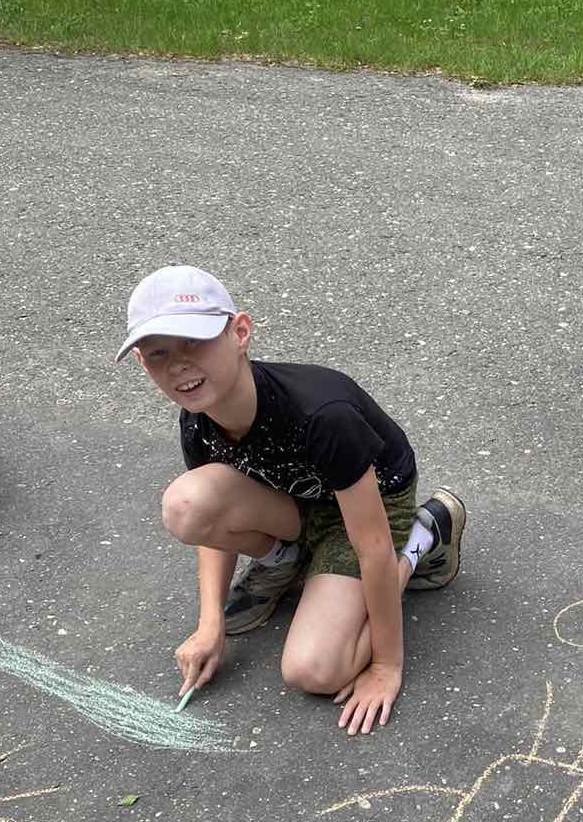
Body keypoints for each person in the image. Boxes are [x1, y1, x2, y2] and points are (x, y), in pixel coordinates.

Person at [117, 266, 465, 735]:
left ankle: (424, 536)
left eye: (194, 342)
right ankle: (289, 561)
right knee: (186, 504)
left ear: (240, 332)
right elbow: (211, 525)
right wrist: (209, 623)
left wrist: (386, 665)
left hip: (369, 509)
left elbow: (372, 546)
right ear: (143, 364)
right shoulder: (197, 418)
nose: (178, 365)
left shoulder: (322, 415)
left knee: (314, 670)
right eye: (159, 353)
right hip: (297, 500)